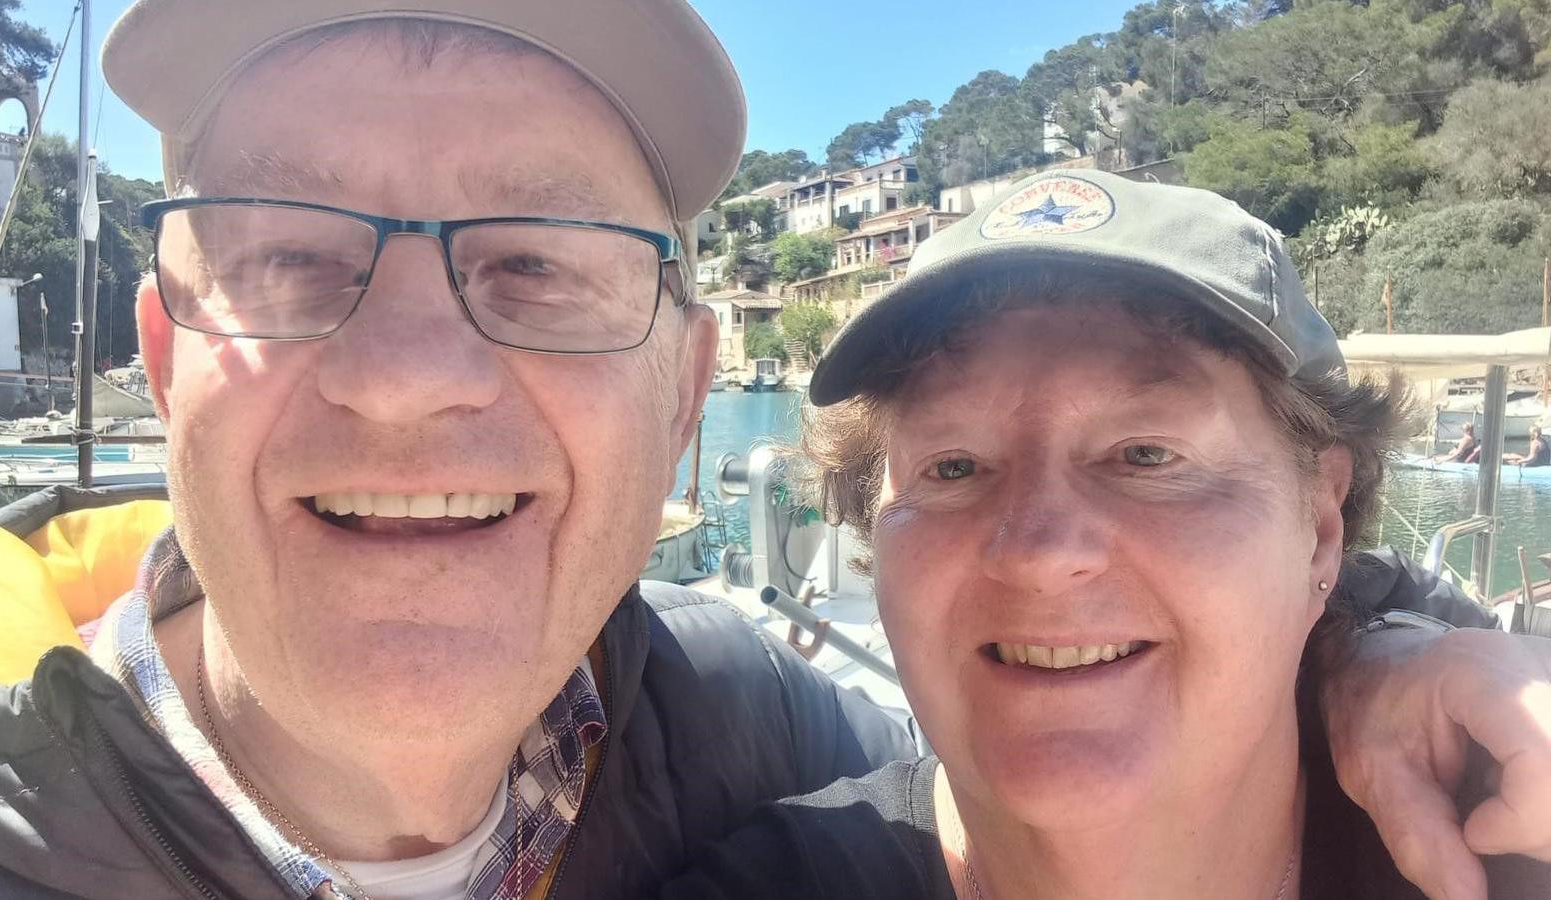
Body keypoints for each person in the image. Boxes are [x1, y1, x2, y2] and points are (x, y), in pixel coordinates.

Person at [0, 6, 1548, 900]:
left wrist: (1374, 653)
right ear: (163, 362)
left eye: (537, 264)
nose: (408, 377)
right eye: (293, 257)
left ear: (686, 386)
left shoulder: (719, 729)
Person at [661, 172, 1551, 900]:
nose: (1039, 552)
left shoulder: (1505, 847)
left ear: (1320, 527)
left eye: (1146, 453)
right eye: (955, 467)